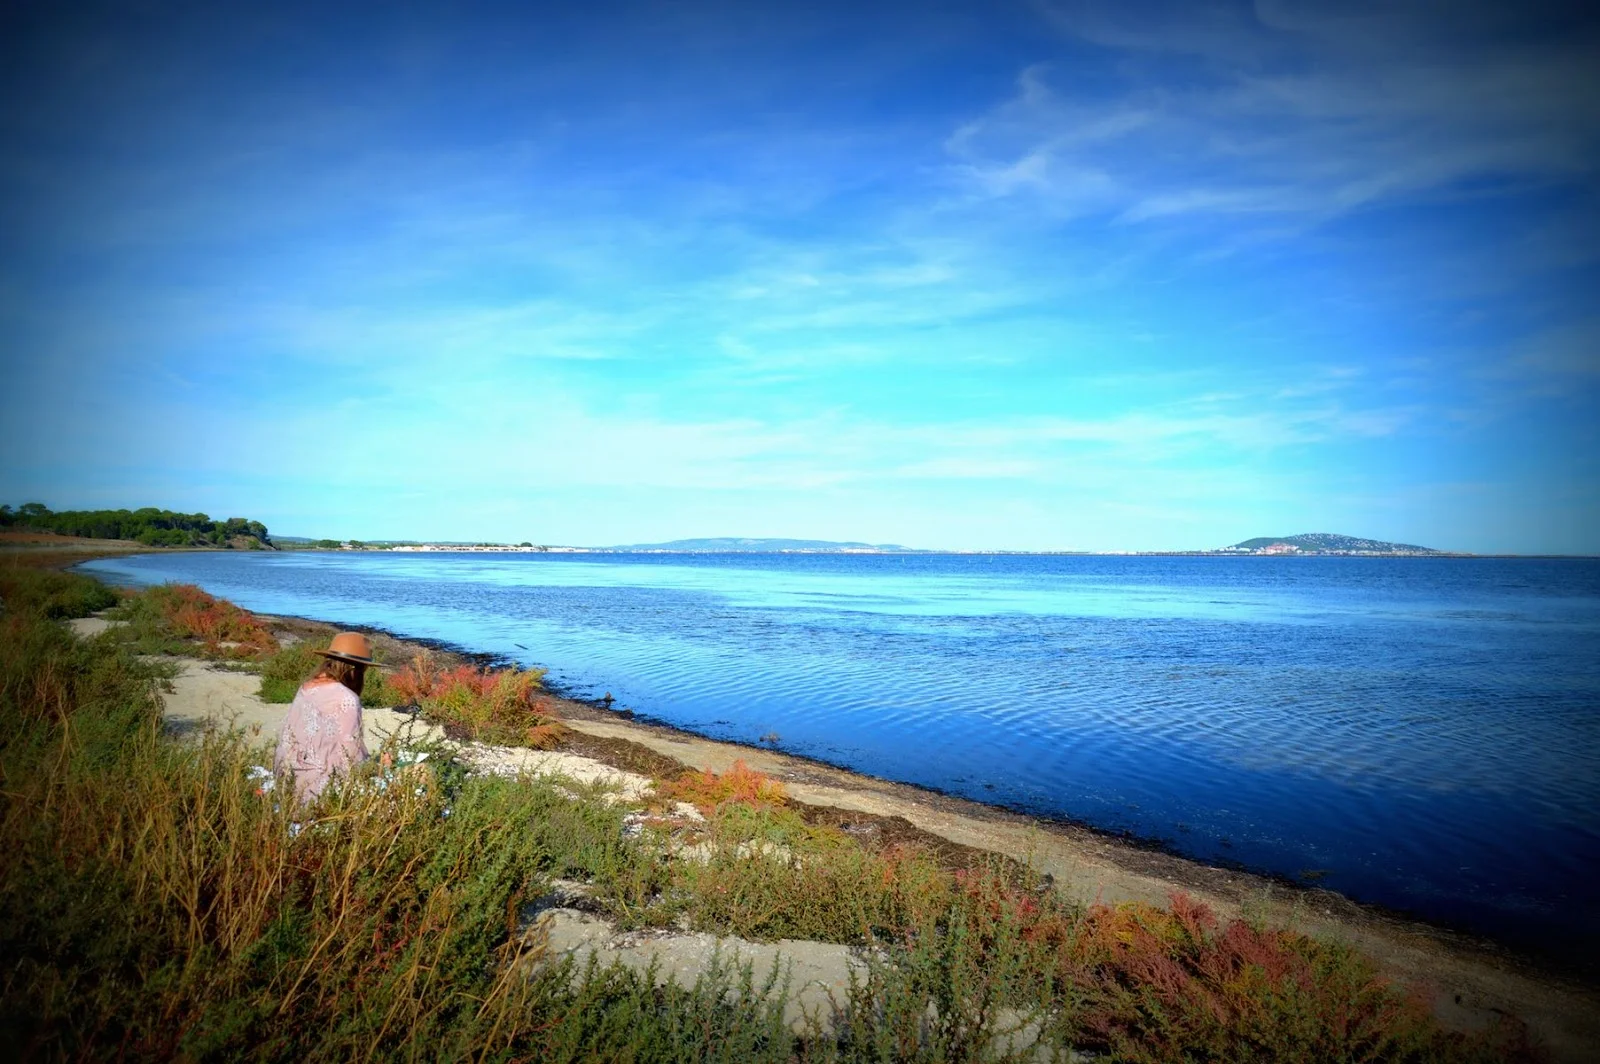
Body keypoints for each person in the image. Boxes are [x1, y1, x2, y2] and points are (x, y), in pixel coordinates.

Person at [274, 631, 383, 802]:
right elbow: (351, 753)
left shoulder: (306, 688)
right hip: (319, 790)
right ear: (354, 670)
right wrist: (377, 766)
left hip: (287, 778)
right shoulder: (347, 699)